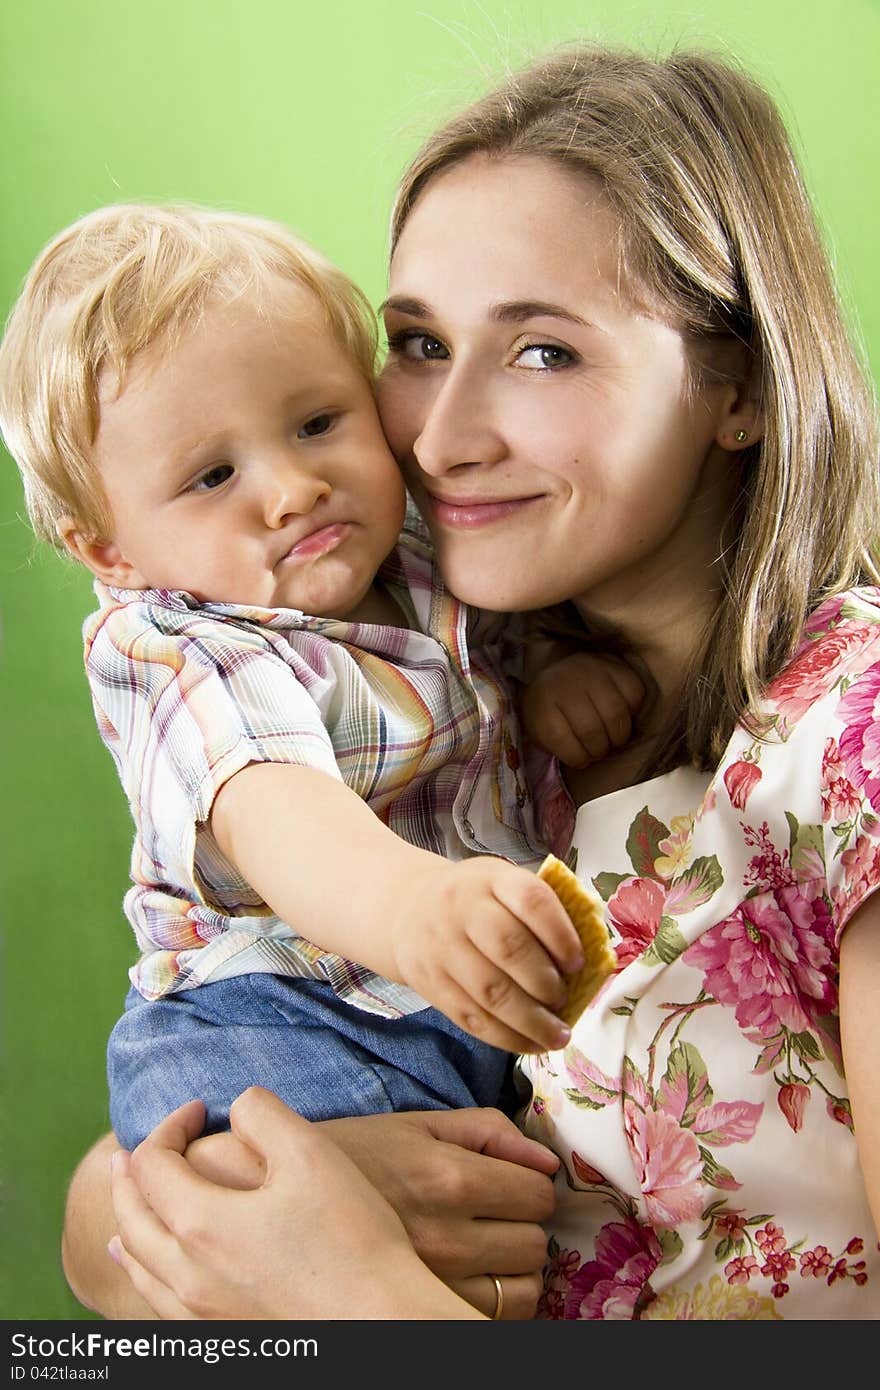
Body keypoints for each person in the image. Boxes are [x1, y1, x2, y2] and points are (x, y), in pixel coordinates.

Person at [61, 41, 880, 1320]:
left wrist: (354, 1289)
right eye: (419, 343)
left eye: (543, 352)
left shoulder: (848, 727)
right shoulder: (461, 684)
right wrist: (141, 1207)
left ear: (741, 387)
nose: (441, 438)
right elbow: (131, 1202)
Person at [0, 204, 645, 1155]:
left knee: (491, 1225)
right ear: (110, 547)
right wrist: (410, 906)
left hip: (452, 1013)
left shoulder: (416, 551)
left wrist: (552, 673)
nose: (292, 487)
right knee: (303, 1218)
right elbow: (279, 811)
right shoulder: (182, 644)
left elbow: (491, 653)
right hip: (276, 1025)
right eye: (213, 476)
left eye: (316, 422)